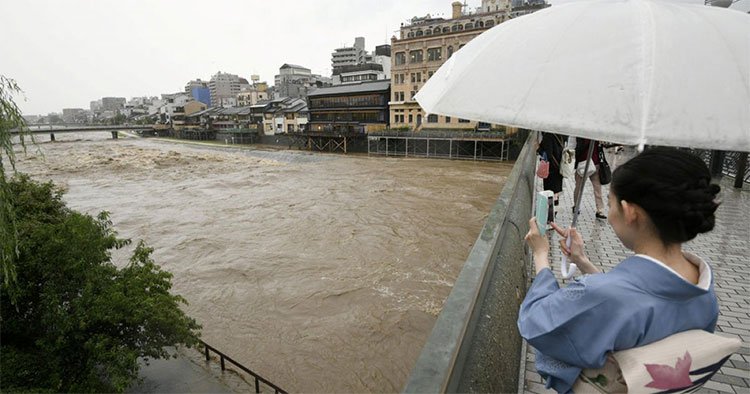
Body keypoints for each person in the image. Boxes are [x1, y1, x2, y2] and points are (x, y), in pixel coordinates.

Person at [518, 148, 721, 393]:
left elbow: (535, 322)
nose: (611, 213)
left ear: (629, 212)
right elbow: (633, 298)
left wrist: (541, 254)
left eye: (611, 203)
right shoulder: (704, 291)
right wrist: (582, 262)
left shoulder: (602, 295)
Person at [572, 138, 607, 219]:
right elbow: (576, 148)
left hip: (595, 165)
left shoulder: (597, 135)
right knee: (578, 187)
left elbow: (604, 146)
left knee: (597, 188)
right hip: (583, 165)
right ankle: (576, 206)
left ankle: (600, 210)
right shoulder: (581, 135)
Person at [537, 132, 569, 207]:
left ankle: (551, 214)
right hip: (559, 167)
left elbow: (547, 154)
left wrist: (538, 148)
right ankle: (553, 213)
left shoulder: (548, 136)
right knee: (555, 194)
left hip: (551, 170)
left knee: (550, 194)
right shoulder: (560, 135)